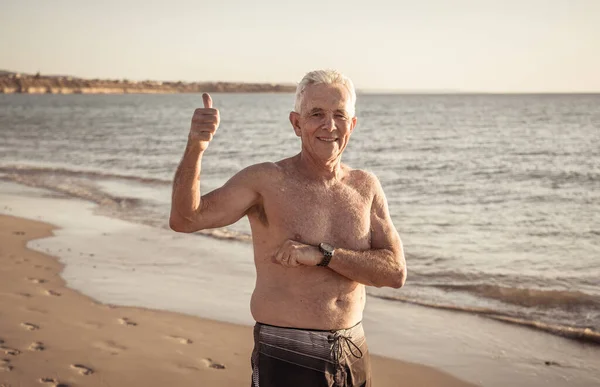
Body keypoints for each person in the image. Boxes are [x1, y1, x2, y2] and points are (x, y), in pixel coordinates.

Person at [169, 69, 406, 387]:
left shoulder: (366, 186)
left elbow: (394, 273)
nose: (329, 125)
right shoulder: (266, 181)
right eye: (316, 114)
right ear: (296, 123)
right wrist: (196, 146)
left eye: (339, 115)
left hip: (353, 351)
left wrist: (322, 255)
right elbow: (185, 219)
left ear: (352, 125)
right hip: (286, 353)